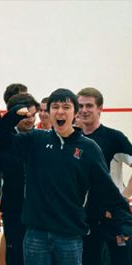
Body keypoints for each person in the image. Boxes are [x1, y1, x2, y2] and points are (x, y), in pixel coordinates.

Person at [0, 88, 132, 265]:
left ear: (75, 113)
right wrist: (13, 115)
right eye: (55, 107)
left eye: (66, 107)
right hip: (35, 236)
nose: (60, 111)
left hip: (70, 238)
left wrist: (125, 223)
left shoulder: (89, 149)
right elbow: (0, 140)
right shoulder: (35, 140)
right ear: (49, 113)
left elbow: (106, 190)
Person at [0, 93, 40, 265]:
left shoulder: (41, 140)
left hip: (41, 213)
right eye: (25, 116)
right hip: (14, 213)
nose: (31, 120)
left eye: (33, 115)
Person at [77, 87, 132, 265]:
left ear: (100, 108)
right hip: (85, 218)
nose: (84, 110)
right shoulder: (72, 140)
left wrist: (123, 197)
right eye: (80, 106)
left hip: (115, 219)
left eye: (89, 106)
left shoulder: (114, 138)